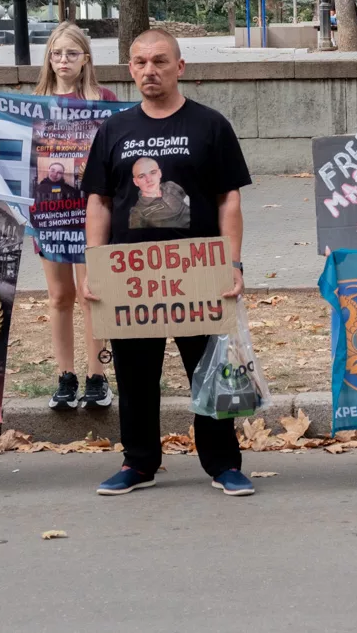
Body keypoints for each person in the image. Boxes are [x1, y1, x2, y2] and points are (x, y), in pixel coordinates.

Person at [82, 29, 253, 496]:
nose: (148, 70)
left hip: (199, 273)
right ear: (130, 69)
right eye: (139, 62)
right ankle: (138, 463)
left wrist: (233, 264)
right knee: (135, 375)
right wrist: (93, 266)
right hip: (129, 278)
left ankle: (223, 464)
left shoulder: (210, 125)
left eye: (159, 61)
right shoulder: (114, 130)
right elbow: (97, 202)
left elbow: (228, 199)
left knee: (209, 368)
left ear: (180, 67)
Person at [31, 21, 117, 410]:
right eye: (56, 53)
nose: (63, 60)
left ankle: (98, 377)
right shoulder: (34, 102)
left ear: (86, 59)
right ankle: (65, 376)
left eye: (71, 53)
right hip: (49, 214)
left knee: (91, 296)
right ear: (48, 59)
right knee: (60, 296)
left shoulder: (104, 98)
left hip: (91, 211)